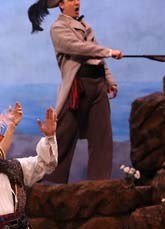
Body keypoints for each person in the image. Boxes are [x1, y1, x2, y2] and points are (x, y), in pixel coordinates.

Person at [28, 0, 123, 183]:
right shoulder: (58, 28)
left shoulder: (85, 25)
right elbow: (78, 47)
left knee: (102, 137)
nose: (77, 2)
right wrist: (108, 51)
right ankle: (51, 185)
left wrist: (110, 81)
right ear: (62, 5)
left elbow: (98, 58)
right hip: (77, 88)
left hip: (98, 86)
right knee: (64, 136)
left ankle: (99, 185)